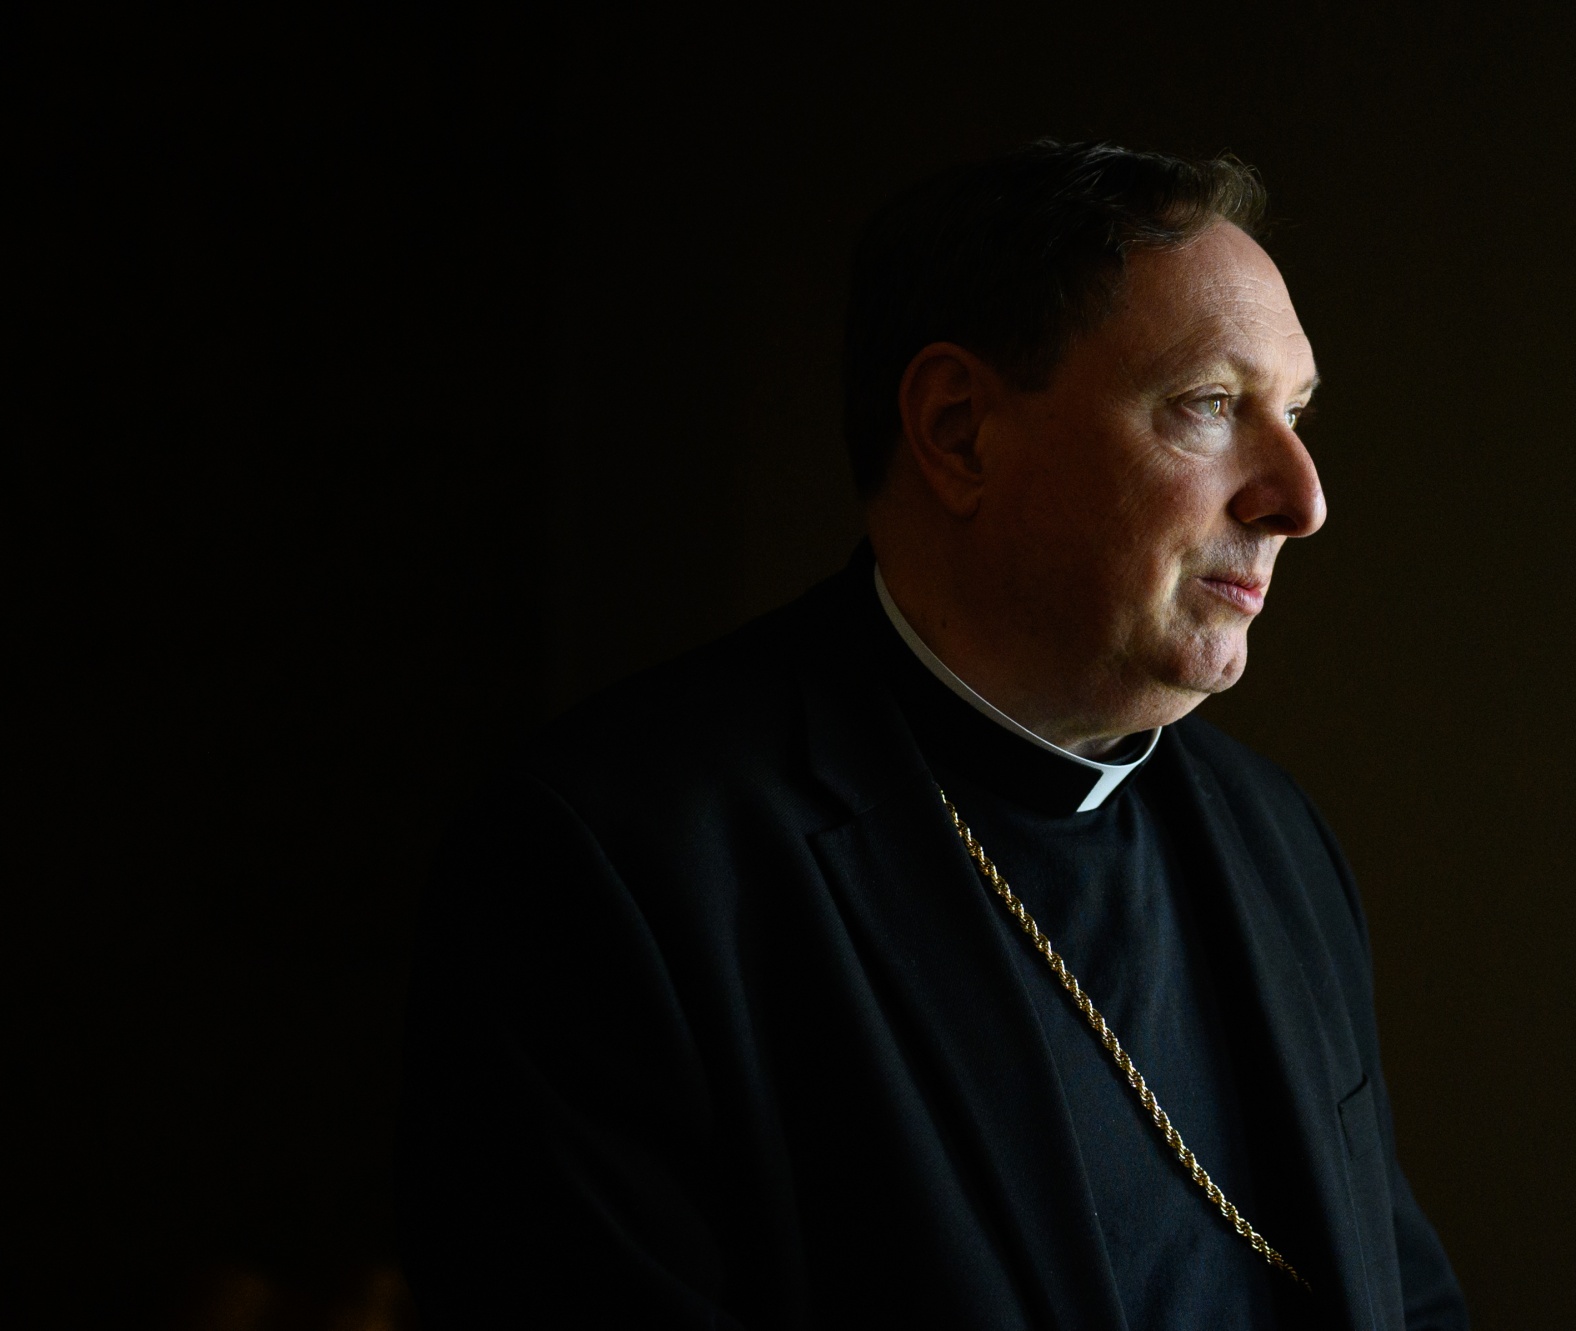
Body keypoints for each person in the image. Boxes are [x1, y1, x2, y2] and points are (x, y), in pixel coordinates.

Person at [395, 141, 1467, 1330]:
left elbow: (1398, 1293)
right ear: (957, 431)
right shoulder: (613, 863)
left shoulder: (1279, 840)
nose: (1298, 497)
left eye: (1296, 413)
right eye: (1210, 406)